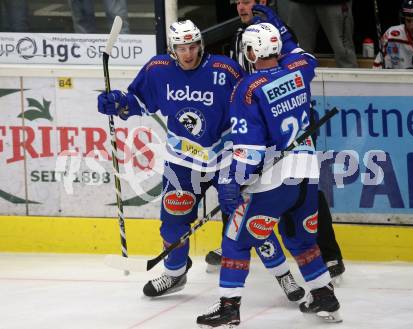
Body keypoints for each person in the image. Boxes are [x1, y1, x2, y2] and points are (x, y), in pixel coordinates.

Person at [97, 20, 303, 301]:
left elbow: (250, 104)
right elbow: (138, 100)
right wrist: (118, 102)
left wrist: (261, 146)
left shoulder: (225, 69)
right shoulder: (158, 70)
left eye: (193, 46)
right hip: (183, 158)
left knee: (249, 220)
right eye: (181, 48)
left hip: (227, 159)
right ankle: (174, 273)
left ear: (201, 45)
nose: (188, 54)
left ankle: (283, 274)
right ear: (172, 49)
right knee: (173, 220)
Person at [197, 23, 342, 327]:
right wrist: (285, 34)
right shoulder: (298, 72)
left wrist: (232, 181)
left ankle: (228, 308)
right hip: (307, 175)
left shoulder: (247, 88)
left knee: (235, 240)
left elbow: (248, 147)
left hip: (274, 179)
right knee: (301, 240)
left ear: (251, 51)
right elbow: (307, 58)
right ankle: (324, 296)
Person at [277, 0, 358, 68]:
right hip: (300, 3)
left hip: (335, 3)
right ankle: (300, 83)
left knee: (342, 50)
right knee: (298, 50)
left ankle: (353, 85)